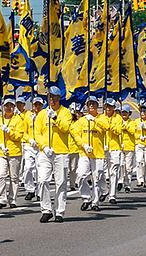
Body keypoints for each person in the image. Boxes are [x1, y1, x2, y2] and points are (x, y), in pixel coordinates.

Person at [35, 87, 73, 223]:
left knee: (61, 182)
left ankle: (59, 211)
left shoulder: (66, 112)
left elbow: (65, 128)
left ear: (59, 98)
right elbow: (37, 133)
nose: (52, 100)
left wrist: (55, 117)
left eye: (55, 97)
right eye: (50, 97)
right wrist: (44, 147)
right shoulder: (41, 114)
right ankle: (46, 210)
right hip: (45, 152)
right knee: (43, 180)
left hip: (61, 152)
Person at [73, 96, 107, 212]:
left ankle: (95, 202)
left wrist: (95, 120)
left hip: (98, 154)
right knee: (82, 176)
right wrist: (84, 145)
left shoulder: (102, 118)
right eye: (89, 104)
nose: (91, 106)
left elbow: (107, 127)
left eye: (93, 104)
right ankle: (86, 198)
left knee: (96, 179)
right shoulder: (82, 121)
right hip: (85, 153)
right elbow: (74, 133)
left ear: (97, 106)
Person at [0, 98, 24, 209]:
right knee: (0, 174)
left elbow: (19, 136)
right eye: (6, 106)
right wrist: (0, 144)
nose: (8, 108)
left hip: (14, 152)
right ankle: (1, 199)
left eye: (10, 106)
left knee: (14, 177)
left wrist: (9, 132)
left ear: (14, 107)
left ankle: (13, 199)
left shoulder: (18, 120)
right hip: (1, 152)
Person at [103, 100, 124, 204]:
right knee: (102, 173)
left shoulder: (118, 118)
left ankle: (112, 195)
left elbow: (119, 130)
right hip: (102, 148)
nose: (108, 109)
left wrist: (109, 126)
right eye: (106, 106)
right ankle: (104, 191)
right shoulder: (101, 117)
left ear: (113, 108)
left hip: (115, 148)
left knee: (113, 172)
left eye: (110, 107)